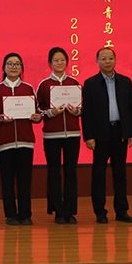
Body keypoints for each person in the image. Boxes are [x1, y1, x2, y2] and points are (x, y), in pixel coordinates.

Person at [82, 47, 132, 224]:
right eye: (103, 59)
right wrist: (88, 136)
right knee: (99, 175)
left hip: (120, 133)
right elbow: (86, 113)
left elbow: (131, 110)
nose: (107, 62)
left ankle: (121, 211)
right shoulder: (90, 84)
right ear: (97, 61)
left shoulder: (125, 82)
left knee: (120, 174)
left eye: (110, 58)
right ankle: (100, 212)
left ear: (115, 60)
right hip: (100, 135)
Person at [0, 52, 42, 226]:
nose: (14, 67)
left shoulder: (28, 89)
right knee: (7, 180)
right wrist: (0, 118)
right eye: (10, 64)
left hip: (26, 140)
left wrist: (37, 117)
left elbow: (37, 111)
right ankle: (10, 214)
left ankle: (25, 214)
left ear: (22, 68)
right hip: (5, 142)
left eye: (17, 64)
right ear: (4, 68)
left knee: (25, 180)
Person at [37, 47, 82, 225]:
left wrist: (76, 111)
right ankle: (57, 212)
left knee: (71, 173)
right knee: (54, 173)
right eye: (55, 60)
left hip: (73, 134)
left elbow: (83, 108)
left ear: (67, 62)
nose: (59, 63)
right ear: (50, 63)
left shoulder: (74, 83)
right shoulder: (44, 85)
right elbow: (38, 109)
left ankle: (70, 211)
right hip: (51, 135)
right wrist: (51, 112)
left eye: (62, 60)